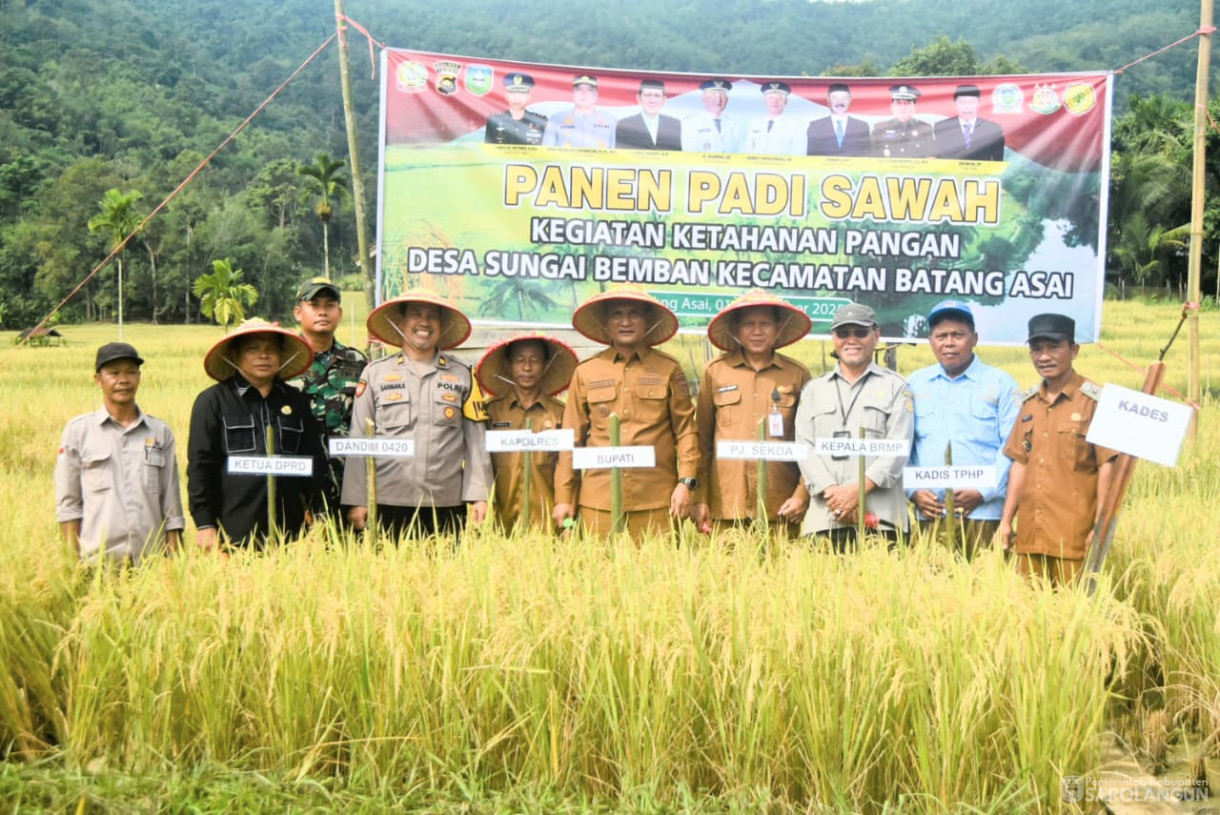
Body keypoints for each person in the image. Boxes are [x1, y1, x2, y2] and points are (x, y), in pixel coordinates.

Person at [342, 290, 492, 540]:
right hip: (386, 500)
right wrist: (356, 499)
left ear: (441, 325)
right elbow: (359, 439)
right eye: (416, 314)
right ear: (400, 323)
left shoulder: (464, 374)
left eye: (432, 316)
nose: (424, 322)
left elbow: (476, 442)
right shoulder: (374, 374)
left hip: (445, 502)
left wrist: (480, 495)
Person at [553, 288, 698, 539]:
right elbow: (570, 440)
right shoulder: (586, 372)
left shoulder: (668, 369)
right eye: (617, 315)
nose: (625, 321)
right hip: (598, 501)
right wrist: (565, 497)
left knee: (660, 574)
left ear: (648, 322)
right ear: (606, 323)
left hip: (657, 501)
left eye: (634, 314)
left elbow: (686, 431)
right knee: (596, 574)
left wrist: (686, 483)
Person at [998, 314, 1118, 586]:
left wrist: (1100, 528)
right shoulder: (1029, 403)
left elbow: (1107, 467)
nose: (1044, 356)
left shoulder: (1095, 402)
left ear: (1074, 350)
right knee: (1029, 618)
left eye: (1053, 347)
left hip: (1073, 540)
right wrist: (1007, 520)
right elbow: (1020, 463)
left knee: (1075, 615)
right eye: (1037, 349)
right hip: (1029, 535)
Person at [188, 320, 328, 549]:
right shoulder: (213, 402)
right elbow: (201, 466)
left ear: (281, 356)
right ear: (235, 355)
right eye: (253, 349)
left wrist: (319, 515)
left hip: (292, 534)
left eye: (271, 349)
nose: (263, 356)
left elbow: (314, 461)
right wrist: (204, 525)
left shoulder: (296, 401)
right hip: (233, 531)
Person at [692, 291, 812, 538]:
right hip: (726, 504)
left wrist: (802, 494)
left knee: (784, 574)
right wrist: (700, 497)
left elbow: (809, 443)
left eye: (765, 324)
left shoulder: (797, 375)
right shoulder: (716, 372)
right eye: (748, 324)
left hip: (780, 505)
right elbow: (702, 442)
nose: (757, 331)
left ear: (778, 328)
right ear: (736, 328)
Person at [794, 304, 914, 550]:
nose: (851, 340)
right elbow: (804, 448)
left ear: (876, 335)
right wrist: (835, 495)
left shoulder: (897, 387)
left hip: (881, 522)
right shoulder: (814, 390)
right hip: (825, 519)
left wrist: (856, 493)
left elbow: (898, 448)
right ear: (833, 339)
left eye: (860, 333)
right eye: (843, 333)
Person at [907, 300, 1021, 556]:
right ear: (930, 341)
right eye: (941, 336)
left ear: (975, 338)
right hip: (931, 514)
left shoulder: (1000, 383)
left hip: (984, 513)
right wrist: (913, 491)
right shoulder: (915, 383)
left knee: (985, 589)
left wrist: (983, 491)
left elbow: (1012, 446)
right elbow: (905, 444)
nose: (949, 342)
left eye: (958, 335)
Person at [55, 342, 184, 565]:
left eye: (131, 372)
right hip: (97, 564)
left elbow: (171, 506)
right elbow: (69, 505)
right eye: (114, 373)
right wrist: (71, 564)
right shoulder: (78, 432)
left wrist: (175, 567)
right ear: (98, 380)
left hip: (151, 565)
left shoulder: (160, 432)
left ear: (139, 377)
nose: (123, 380)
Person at [477, 333, 578, 533]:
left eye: (535, 360)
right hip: (500, 520)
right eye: (520, 360)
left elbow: (568, 463)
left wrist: (566, 505)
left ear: (546, 365)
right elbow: (479, 461)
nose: (527, 368)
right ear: (508, 365)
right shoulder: (491, 412)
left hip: (548, 519)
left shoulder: (560, 413)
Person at [286, 276, 367, 515]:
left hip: (347, 480)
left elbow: (367, 426)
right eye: (314, 305)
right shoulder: (282, 361)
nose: (323, 312)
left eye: (329, 305)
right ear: (298, 313)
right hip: (297, 478)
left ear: (339, 314)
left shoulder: (357, 362)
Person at [933, 84, 1006, 162]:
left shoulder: (993, 129)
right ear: (955, 104)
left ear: (979, 103)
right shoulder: (942, 127)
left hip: (982, 173)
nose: (967, 106)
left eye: (971, 102)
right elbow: (939, 158)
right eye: (963, 102)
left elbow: (998, 162)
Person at [542, 74, 616, 149]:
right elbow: (546, 151)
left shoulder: (610, 120)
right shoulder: (556, 119)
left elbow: (617, 153)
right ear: (573, 94)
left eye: (589, 90)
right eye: (579, 89)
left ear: (596, 95)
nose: (584, 93)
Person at [615, 79, 682, 151]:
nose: (652, 100)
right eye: (648, 95)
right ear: (639, 98)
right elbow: (621, 155)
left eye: (657, 96)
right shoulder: (624, 124)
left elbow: (677, 154)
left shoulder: (674, 124)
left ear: (664, 99)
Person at [806, 83, 871, 157]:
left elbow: (866, 156)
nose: (840, 102)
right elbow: (812, 158)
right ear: (828, 99)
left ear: (850, 100)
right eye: (835, 98)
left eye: (844, 98)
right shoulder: (816, 126)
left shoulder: (862, 126)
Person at [484, 72, 548, 146]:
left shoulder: (540, 121)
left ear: (529, 97)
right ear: (506, 96)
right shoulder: (494, 120)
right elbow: (487, 150)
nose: (516, 98)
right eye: (512, 93)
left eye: (521, 93)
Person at [871, 84, 934, 158]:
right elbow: (872, 158)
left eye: (907, 103)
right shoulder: (880, 129)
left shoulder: (925, 129)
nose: (902, 107)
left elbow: (931, 158)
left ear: (914, 107)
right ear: (892, 107)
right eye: (898, 103)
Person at [744, 82, 805, 156]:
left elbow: (799, 155)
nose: (774, 101)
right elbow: (747, 150)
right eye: (771, 98)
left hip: (783, 166)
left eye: (779, 98)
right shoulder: (755, 123)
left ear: (785, 102)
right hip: (756, 166)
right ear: (765, 101)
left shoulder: (796, 125)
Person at [682, 78, 739, 153]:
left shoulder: (734, 124)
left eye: (722, 94)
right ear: (704, 98)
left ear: (727, 100)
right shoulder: (691, 123)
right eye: (713, 94)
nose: (718, 99)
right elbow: (689, 154)